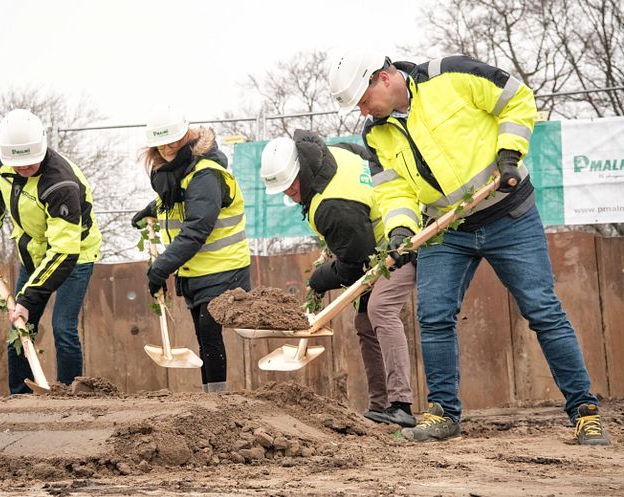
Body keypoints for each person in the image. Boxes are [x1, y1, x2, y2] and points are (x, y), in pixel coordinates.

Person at [328, 49, 610, 445]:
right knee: (433, 315)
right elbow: (394, 191)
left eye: (363, 100)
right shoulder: (376, 134)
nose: (362, 112)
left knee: (542, 308)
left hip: (507, 211)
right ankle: (444, 413)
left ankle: (584, 411)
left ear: (384, 78)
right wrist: (399, 231)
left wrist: (509, 152)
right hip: (447, 228)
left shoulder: (450, 75)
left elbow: (516, 97)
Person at [260, 130, 417, 427]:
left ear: (302, 171)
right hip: (376, 243)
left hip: (402, 240)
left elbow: (356, 264)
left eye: (290, 186)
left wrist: (320, 279)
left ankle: (401, 405)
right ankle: (380, 406)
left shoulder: (332, 207)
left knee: (379, 309)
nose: (287, 194)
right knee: (364, 322)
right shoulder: (334, 152)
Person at [0, 109, 102, 394]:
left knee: (63, 327)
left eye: (30, 161)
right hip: (32, 254)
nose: (24, 167)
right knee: (20, 327)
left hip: (73, 258)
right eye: (18, 163)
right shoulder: (1, 161)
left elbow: (64, 252)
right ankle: (19, 395)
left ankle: (71, 394)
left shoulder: (61, 183)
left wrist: (28, 298)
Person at [132, 105, 251, 393]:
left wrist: (160, 268)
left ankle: (218, 400)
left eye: (174, 141)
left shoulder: (206, 174)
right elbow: (182, 201)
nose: (168, 148)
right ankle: (212, 397)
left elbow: (198, 226)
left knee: (210, 331)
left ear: (186, 136)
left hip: (224, 268)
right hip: (196, 271)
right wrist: (151, 209)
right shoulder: (174, 173)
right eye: (161, 144)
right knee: (202, 332)